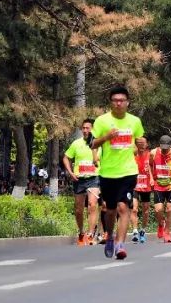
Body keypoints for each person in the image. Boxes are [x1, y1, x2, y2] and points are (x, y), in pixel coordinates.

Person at [91, 86, 146, 260]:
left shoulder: (135, 121)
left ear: (128, 102)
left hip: (128, 171)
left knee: (124, 207)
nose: (118, 103)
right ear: (111, 102)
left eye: (122, 100)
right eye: (115, 100)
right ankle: (109, 236)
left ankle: (120, 244)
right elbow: (92, 144)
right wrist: (106, 137)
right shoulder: (102, 121)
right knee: (110, 209)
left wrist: (141, 145)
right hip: (108, 173)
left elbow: (140, 143)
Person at [63, 118, 99, 246]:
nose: (85, 130)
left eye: (87, 128)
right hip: (79, 179)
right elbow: (66, 158)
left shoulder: (98, 144)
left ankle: (90, 234)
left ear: (92, 129)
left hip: (94, 178)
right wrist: (70, 172)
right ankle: (81, 232)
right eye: (83, 128)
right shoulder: (76, 143)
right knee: (78, 209)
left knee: (92, 204)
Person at [149, 135, 171, 243]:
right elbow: (149, 165)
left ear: (170, 145)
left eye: (167, 148)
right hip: (158, 184)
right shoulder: (153, 153)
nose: (165, 150)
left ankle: (167, 232)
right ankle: (160, 224)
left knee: (169, 209)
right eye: (163, 147)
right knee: (158, 209)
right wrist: (151, 178)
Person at [132, 137, 152, 243]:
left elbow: (154, 168)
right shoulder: (132, 155)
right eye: (138, 143)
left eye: (143, 143)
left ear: (146, 144)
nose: (141, 144)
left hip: (146, 186)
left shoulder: (150, 155)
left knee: (146, 210)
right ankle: (135, 231)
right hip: (135, 185)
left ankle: (143, 230)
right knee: (134, 209)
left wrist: (153, 179)